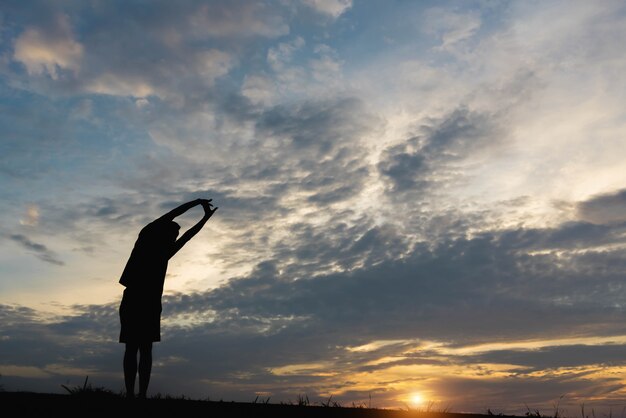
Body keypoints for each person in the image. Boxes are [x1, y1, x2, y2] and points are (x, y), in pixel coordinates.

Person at [118, 198, 217, 399]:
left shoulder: (163, 251)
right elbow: (173, 215)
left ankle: (139, 394)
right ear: (163, 232)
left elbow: (189, 235)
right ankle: (133, 394)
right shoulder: (147, 237)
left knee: (143, 348)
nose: (175, 238)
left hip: (148, 301)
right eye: (173, 234)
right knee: (135, 347)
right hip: (137, 297)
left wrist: (203, 216)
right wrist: (196, 203)